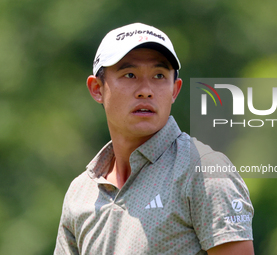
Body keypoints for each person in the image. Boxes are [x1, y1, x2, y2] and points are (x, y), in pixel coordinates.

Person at [54, 22, 254, 255]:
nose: (146, 90)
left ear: (174, 90)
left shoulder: (204, 169)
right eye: (130, 75)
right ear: (97, 88)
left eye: (159, 76)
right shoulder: (80, 192)